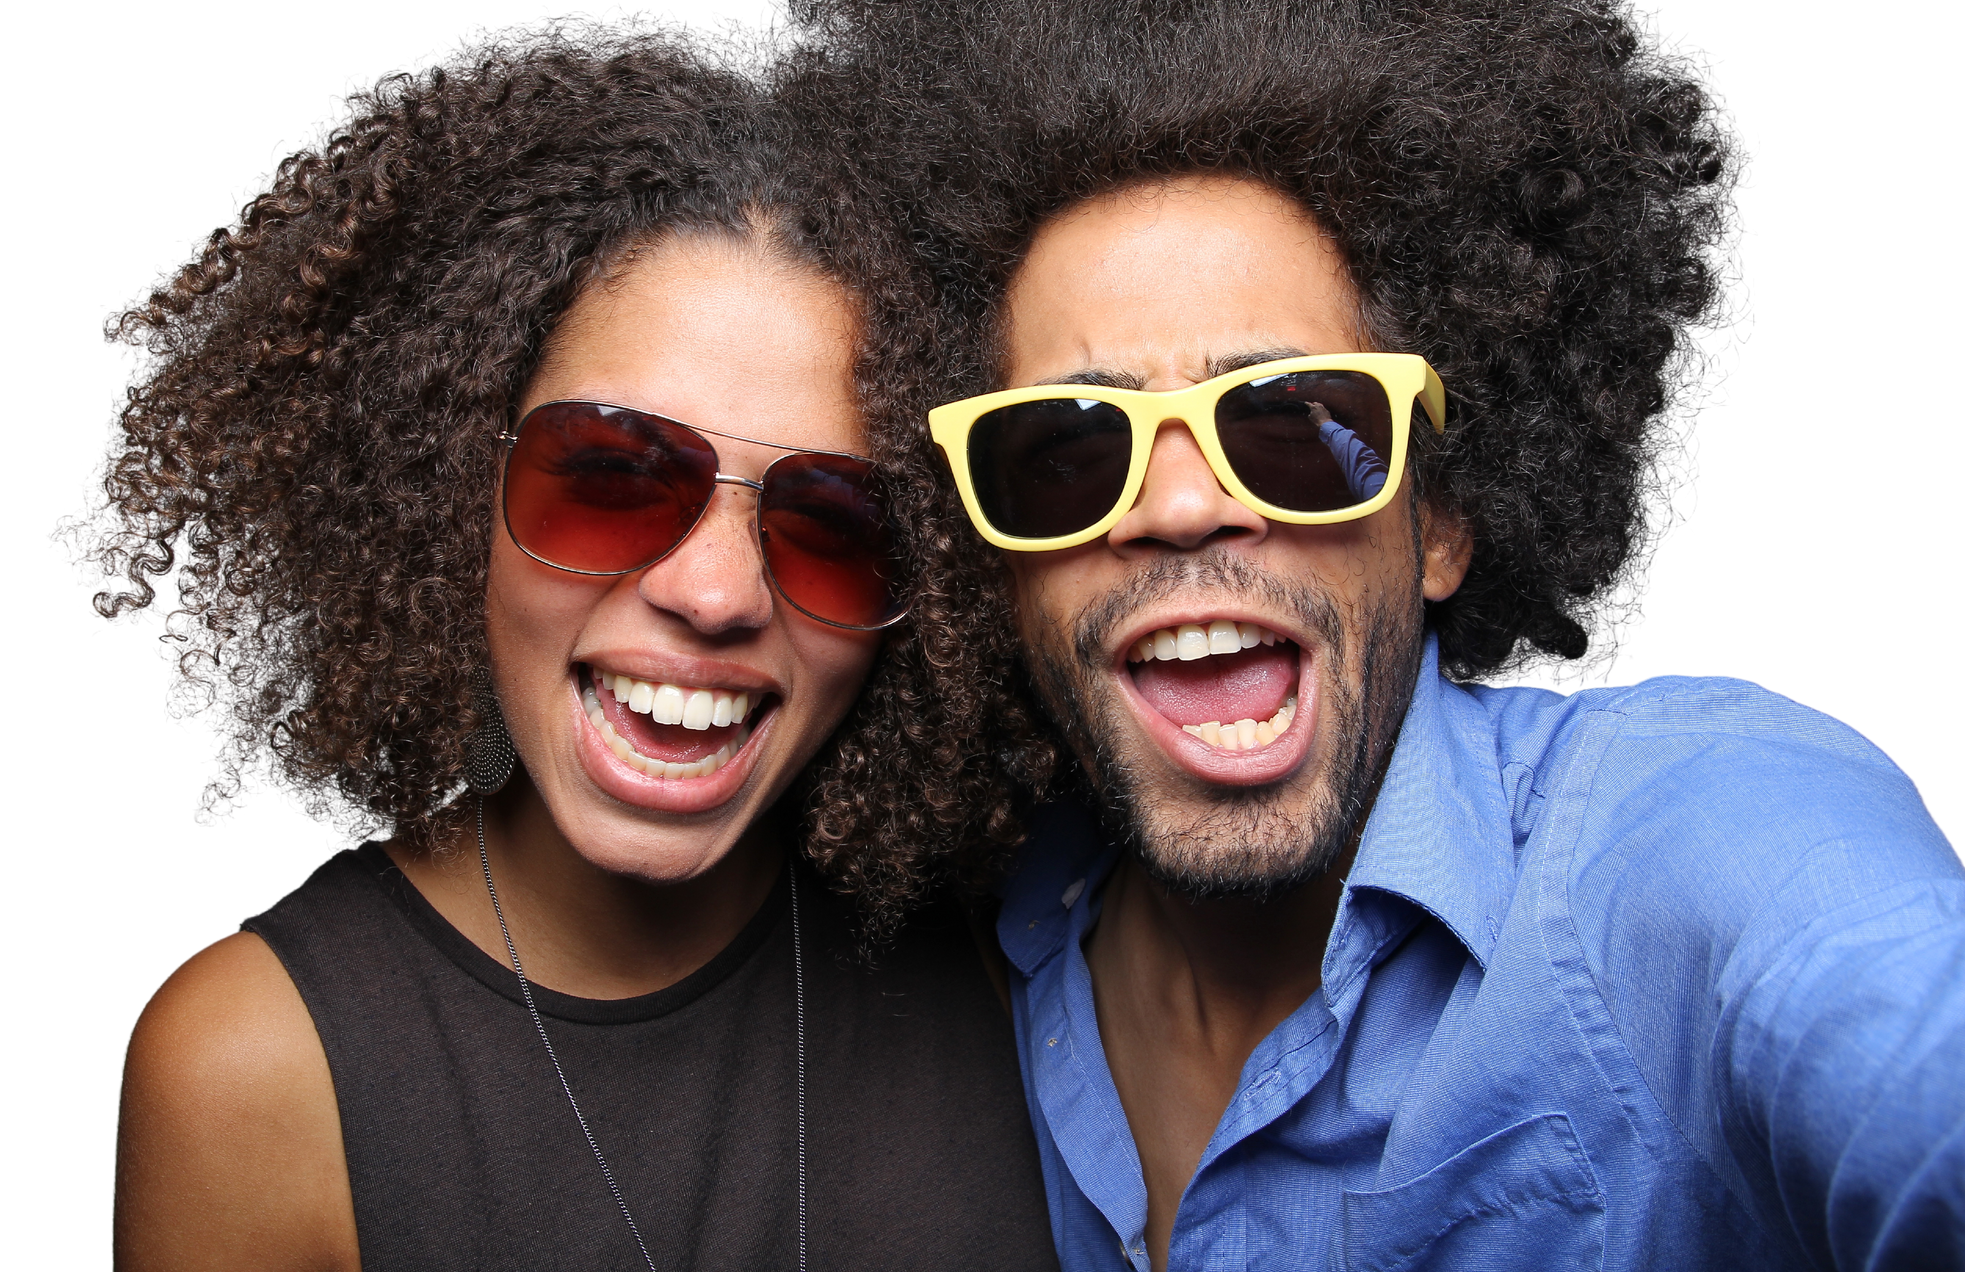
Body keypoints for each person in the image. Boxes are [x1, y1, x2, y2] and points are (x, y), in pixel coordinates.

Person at [807, 0, 1965, 1268]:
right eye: (1069, 450)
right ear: (999, 568)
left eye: (1295, 425)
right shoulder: (995, 943)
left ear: (1442, 523)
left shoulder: (1670, 847)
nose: (1184, 507)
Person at [55, 13, 1056, 1271]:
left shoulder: (1018, 947)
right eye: (612, 476)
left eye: (832, 523)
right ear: (447, 491)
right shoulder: (263, 1063)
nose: (714, 592)